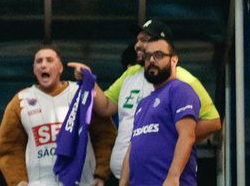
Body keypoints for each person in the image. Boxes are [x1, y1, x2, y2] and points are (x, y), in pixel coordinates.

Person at [77, 20, 221, 177]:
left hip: (159, 174)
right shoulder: (130, 74)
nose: (137, 45)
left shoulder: (182, 79)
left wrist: (169, 138)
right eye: (137, 40)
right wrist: (89, 81)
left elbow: (213, 122)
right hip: (123, 176)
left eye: (144, 40)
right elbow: (105, 107)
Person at [0, 46, 115, 186]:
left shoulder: (82, 93)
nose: (43, 65)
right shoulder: (20, 101)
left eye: (49, 60)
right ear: (34, 69)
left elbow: (105, 136)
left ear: (60, 68)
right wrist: (18, 181)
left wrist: (101, 175)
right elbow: (9, 147)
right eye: (39, 61)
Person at [117, 35, 201, 185]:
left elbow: (187, 136)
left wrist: (173, 178)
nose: (152, 60)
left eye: (159, 55)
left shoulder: (180, 90)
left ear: (174, 60)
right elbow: (132, 148)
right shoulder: (142, 104)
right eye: (148, 56)